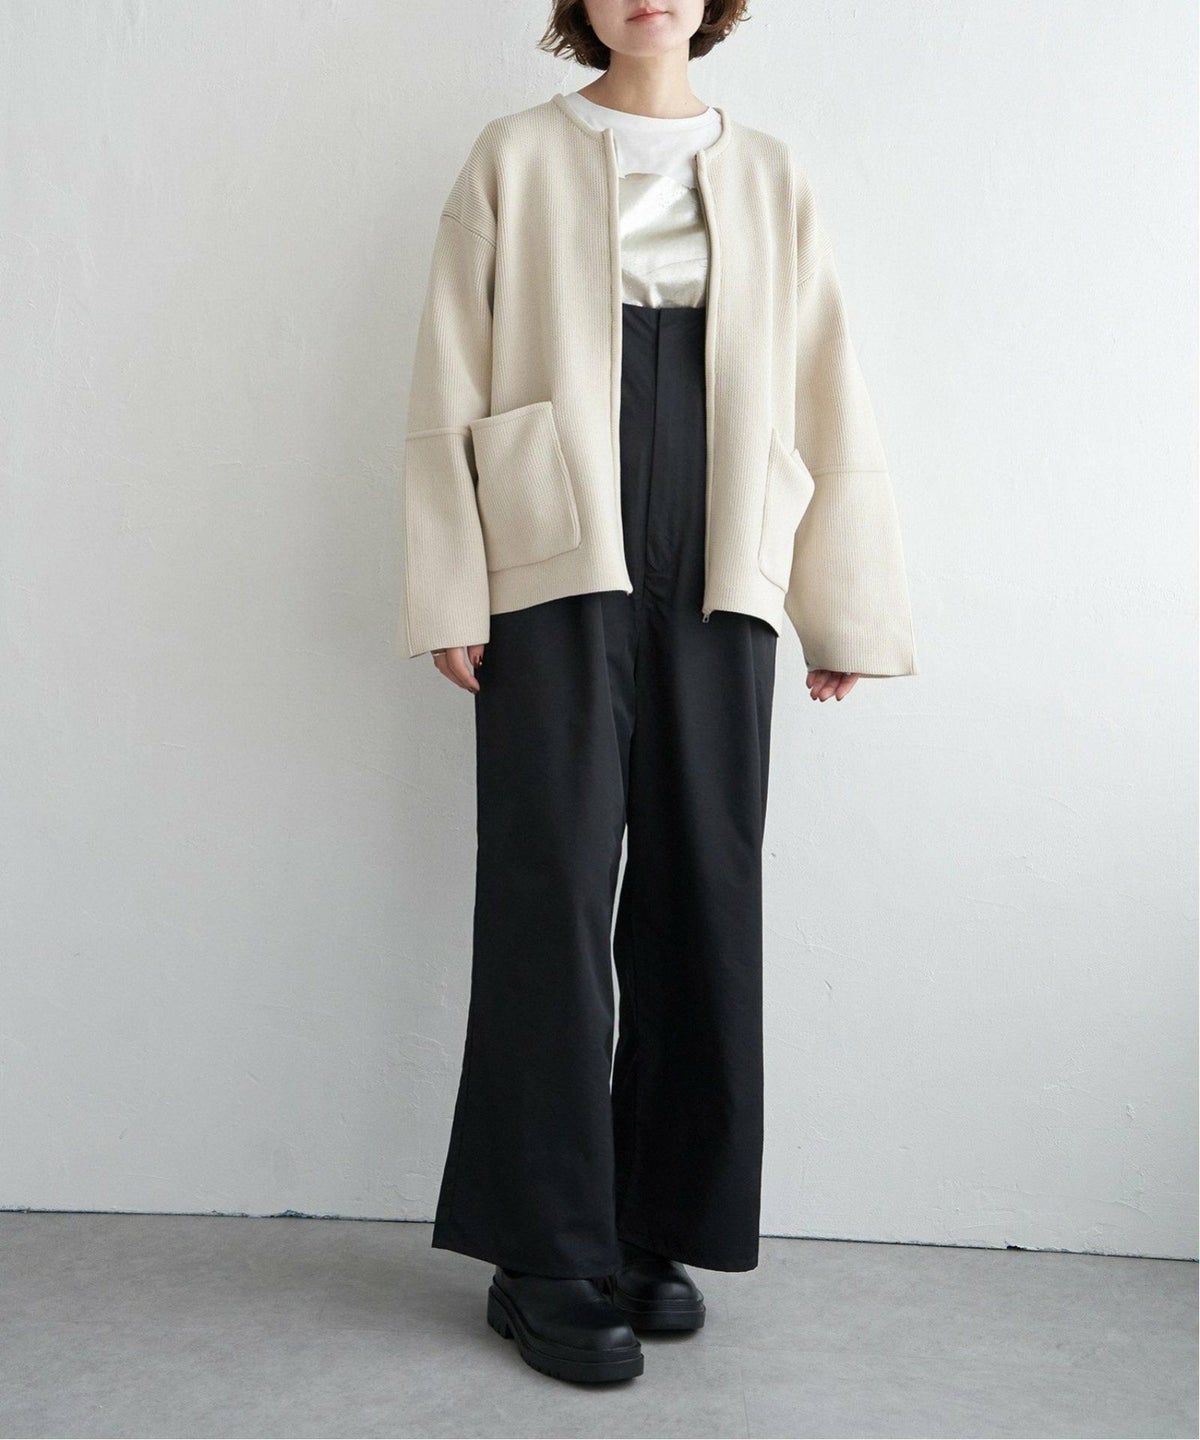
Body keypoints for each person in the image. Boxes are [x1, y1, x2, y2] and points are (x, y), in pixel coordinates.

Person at [398, 0, 918, 1385]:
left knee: (705, 885)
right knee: (551, 890)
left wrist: (840, 600)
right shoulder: (514, 153)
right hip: (550, 537)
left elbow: (824, 381)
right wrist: (451, 586)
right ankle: (542, 1252)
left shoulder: (771, 170)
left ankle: (653, 1226)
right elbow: (448, 363)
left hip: (723, 537)